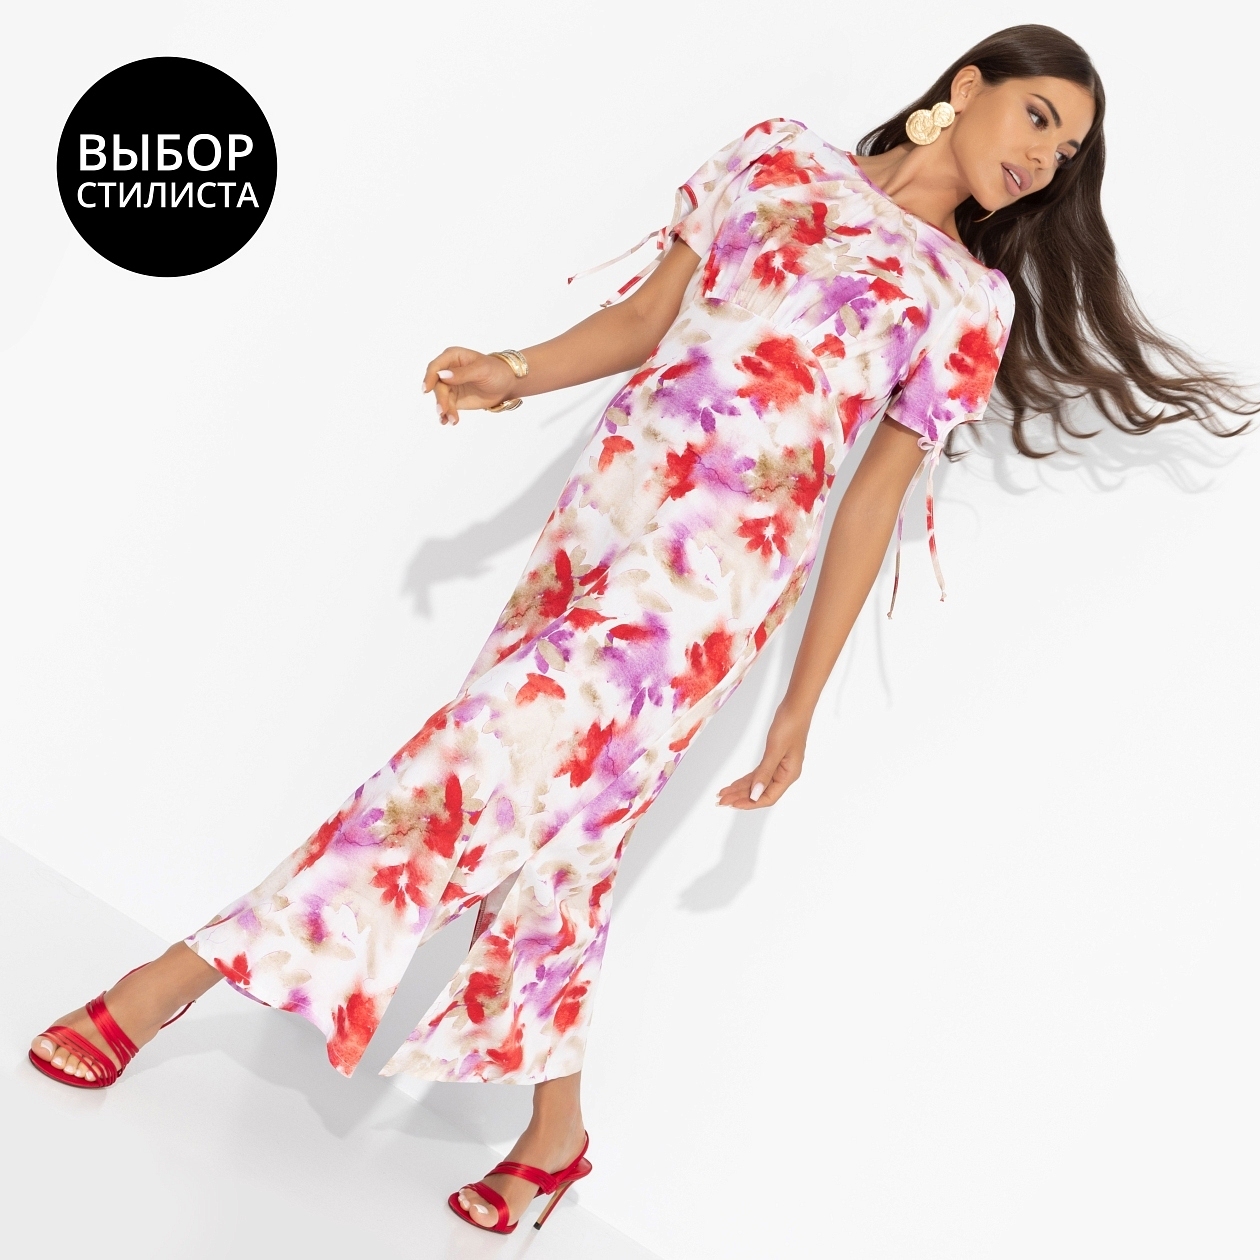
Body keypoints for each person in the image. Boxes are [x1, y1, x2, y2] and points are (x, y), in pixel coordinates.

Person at [27, 22, 1254, 1236]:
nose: (1043, 158)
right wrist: (510, 370)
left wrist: (801, 701)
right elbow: (644, 323)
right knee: (564, 839)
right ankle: (554, 1139)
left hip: (709, 591)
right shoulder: (776, 157)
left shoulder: (968, 298)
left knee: (472, 758)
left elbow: (873, 502)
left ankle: (174, 980)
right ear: (969, 85)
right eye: (1039, 117)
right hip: (601, 519)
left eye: (1067, 151)